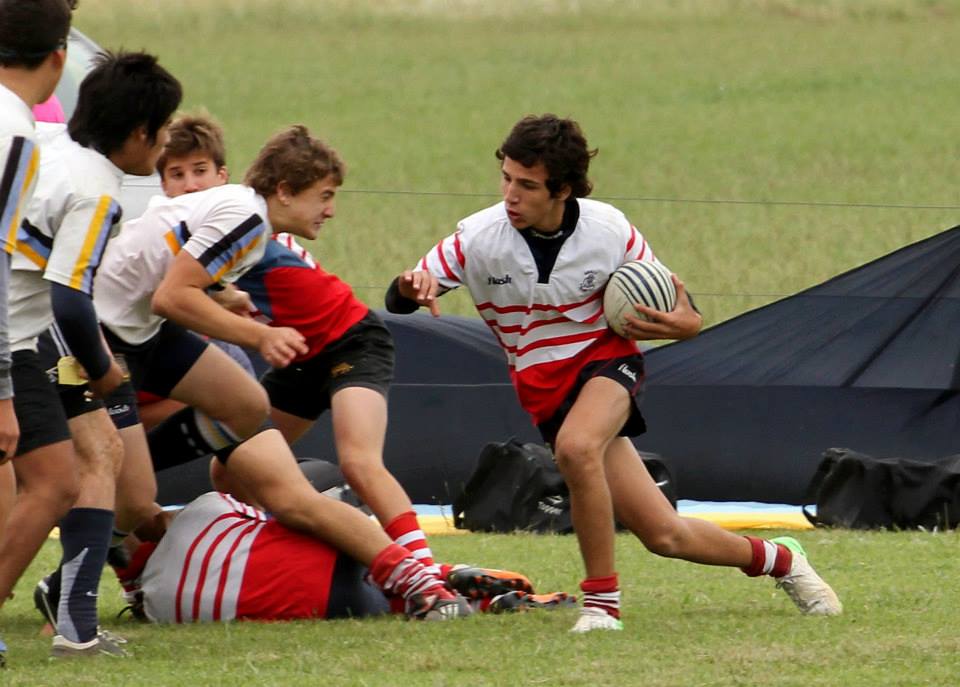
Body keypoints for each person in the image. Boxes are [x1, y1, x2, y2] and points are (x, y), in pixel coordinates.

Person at [386, 114, 843, 633]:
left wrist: (682, 326)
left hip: (607, 362)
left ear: (562, 190)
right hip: (543, 389)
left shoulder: (608, 230)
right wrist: (411, 287)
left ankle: (602, 605)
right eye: (507, 178)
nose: (510, 194)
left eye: (527, 185)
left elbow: (684, 313)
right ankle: (781, 559)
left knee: (577, 448)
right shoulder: (478, 237)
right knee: (664, 534)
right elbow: (402, 295)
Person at [93, 125, 470, 620]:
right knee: (176, 487)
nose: (330, 209)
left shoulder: (242, 222)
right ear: (285, 191)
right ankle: (93, 576)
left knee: (311, 451)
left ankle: (420, 573)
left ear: (222, 174)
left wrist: (232, 306)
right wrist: (256, 332)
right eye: (324, 197)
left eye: (198, 171)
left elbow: (181, 284)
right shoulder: (239, 218)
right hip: (150, 338)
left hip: (347, 342)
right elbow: (172, 293)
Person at [6, 50, 182, 658]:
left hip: (34, 335)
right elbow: (70, 299)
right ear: (139, 134)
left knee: (101, 449)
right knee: (52, 483)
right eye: (163, 130)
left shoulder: (52, 145)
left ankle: (76, 624)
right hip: (20, 338)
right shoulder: (99, 190)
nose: (166, 143)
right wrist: (106, 372)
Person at [0, 0, 74, 665]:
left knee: (50, 477)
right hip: (11, 347)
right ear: (58, 57)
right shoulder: (15, 133)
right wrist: (2, 390)